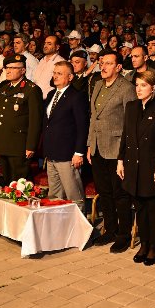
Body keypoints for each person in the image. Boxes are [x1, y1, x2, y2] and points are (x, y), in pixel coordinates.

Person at [117, 70, 155, 266]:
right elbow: (126, 135)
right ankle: (144, 243)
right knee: (139, 207)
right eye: (137, 85)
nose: (138, 89)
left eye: (143, 85)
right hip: (133, 165)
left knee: (153, 209)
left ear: (153, 87)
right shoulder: (131, 107)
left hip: (152, 166)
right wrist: (120, 160)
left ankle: (154, 245)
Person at [86, 50, 136, 252]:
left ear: (118, 67)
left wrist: (125, 153)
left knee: (120, 194)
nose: (103, 67)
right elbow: (93, 117)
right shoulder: (97, 84)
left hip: (116, 149)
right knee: (104, 192)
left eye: (108, 63)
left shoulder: (126, 89)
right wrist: (90, 144)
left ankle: (124, 235)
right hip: (98, 146)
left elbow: (130, 122)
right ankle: (110, 229)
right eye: (101, 62)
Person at [0, 54, 44, 184]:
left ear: (23, 70)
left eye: (13, 68)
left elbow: (35, 121)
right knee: (7, 180)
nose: (9, 71)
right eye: (7, 68)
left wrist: (31, 146)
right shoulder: (3, 87)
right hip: (3, 141)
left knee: (20, 181)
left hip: (19, 143)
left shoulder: (31, 89)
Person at [41, 61, 89, 211]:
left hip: (68, 154)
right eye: (54, 73)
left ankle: (80, 229)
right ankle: (57, 227)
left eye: (59, 73)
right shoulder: (50, 94)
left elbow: (82, 126)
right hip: (51, 152)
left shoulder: (77, 96)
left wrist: (79, 152)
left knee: (74, 196)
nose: (55, 76)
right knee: (54, 195)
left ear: (70, 77)